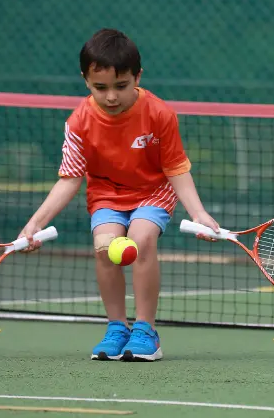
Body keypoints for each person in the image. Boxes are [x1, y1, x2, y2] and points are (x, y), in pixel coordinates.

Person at [17, 28, 220, 362]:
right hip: (107, 195)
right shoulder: (80, 121)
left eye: (121, 86)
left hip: (153, 191)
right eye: (100, 88)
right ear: (85, 81)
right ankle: (116, 327)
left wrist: (198, 214)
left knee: (140, 240)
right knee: (105, 248)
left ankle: (145, 331)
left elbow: (176, 170)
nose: (111, 97)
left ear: (137, 77)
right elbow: (70, 180)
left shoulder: (159, 114)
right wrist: (34, 224)